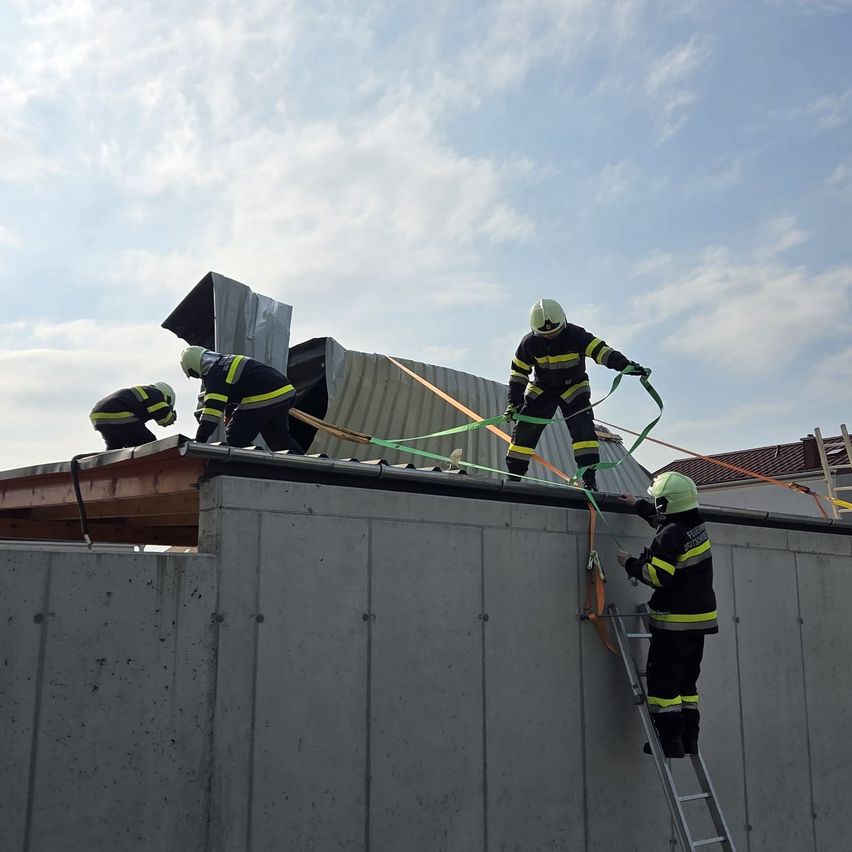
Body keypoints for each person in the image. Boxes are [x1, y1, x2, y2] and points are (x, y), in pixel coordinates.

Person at [617, 472, 718, 758]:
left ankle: (669, 742)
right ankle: (689, 741)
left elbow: (657, 575)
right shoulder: (696, 524)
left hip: (674, 622)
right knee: (687, 684)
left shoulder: (670, 534)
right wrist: (639, 505)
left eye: (657, 500)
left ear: (666, 502)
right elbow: (669, 525)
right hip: (699, 621)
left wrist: (629, 563)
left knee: (663, 684)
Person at [505, 298, 647, 489]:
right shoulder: (529, 343)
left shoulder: (576, 335)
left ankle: (589, 481)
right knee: (525, 429)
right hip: (543, 388)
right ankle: (513, 478)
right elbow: (519, 372)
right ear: (534, 330)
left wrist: (625, 365)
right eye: (544, 334)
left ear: (563, 322)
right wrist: (514, 401)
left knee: (584, 432)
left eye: (554, 332)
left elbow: (602, 351)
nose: (550, 337)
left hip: (574, 387)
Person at [180, 346, 303, 453]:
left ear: (193, 369)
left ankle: (253, 467)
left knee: (236, 435)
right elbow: (230, 395)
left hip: (265, 395)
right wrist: (229, 416)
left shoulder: (215, 375)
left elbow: (212, 412)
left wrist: (199, 440)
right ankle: (305, 469)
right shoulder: (226, 361)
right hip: (284, 391)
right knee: (278, 439)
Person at [89, 382, 177, 449]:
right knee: (148, 442)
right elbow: (164, 419)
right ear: (167, 398)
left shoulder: (144, 392)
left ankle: (112, 471)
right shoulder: (156, 393)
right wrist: (172, 416)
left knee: (115, 449)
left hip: (98, 416)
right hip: (116, 411)